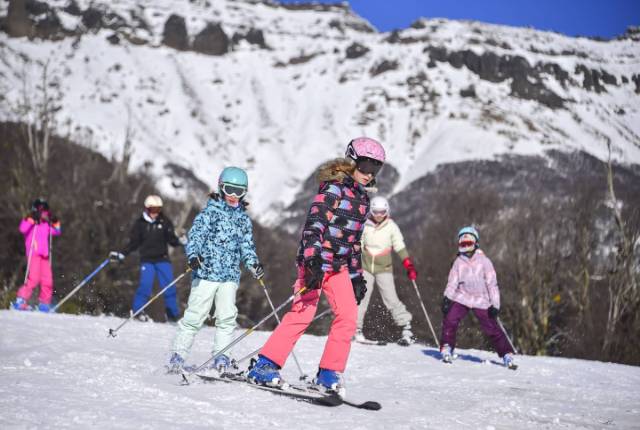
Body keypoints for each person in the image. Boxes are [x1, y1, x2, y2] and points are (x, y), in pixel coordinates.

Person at [247, 137, 386, 395]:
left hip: (339, 268)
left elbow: (354, 242)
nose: (370, 173)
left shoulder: (363, 200)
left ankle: (328, 373)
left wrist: (356, 276)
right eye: (366, 165)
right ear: (351, 161)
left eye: (376, 168)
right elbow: (313, 227)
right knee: (303, 313)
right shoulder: (333, 190)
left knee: (348, 317)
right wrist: (312, 262)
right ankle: (264, 365)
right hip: (316, 263)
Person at [167, 167, 264, 374]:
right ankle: (178, 355)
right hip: (206, 273)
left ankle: (222, 356)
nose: (233, 195)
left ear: (244, 193)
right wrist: (193, 256)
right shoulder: (209, 214)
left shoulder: (243, 220)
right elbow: (195, 238)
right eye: (229, 189)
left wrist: (253, 264)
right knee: (195, 316)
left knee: (227, 318)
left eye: (238, 191)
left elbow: (247, 247)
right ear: (220, 188)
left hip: (229, 276)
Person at [440, 226, 517, 369]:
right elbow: (452, 282)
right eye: (463, 244)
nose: (466, 247)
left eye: (468, 244)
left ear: (475, 244)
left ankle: (506, 353)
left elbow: (492, 284)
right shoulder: (458, 262)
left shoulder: (484, 261)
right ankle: (447, 346)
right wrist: (447, 298)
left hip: (481, 299)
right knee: (450, 319)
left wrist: (495, 305)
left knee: (491, 327)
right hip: (462, 296)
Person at [355, 196, 418, 346]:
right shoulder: (365, 225)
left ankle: (406, 327)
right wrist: (354, 258)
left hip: (384, 268)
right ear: (371, 211)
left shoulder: (391, 226)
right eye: (376, 212)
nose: (379, 215)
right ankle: (355, 328)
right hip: (366, 267)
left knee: (390, 298)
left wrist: (408, 264)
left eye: (382, 212)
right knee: (361, 297)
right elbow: (359, 243)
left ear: (387, 211)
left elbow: (399, 245)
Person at [110, 195, 183, 322]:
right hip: (147, 260)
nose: (155, 213)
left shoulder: (164, 222)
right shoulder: (140, 224)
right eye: (152, 210)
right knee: (145, 286)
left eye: (158, 209)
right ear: (147, 209)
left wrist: (180, 241)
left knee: (169, 286)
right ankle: (138, 311)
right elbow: (133, 243)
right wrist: (122, 254)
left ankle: (172, 313)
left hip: (162, 259)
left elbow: (172, 239)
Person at [13, 199, 61, 312]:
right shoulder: (31, 221)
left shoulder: (46, 224)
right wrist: (32, 219)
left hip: (44, 255)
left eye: (46, 212)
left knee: (48, 281)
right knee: (34, 279)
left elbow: (57, 231)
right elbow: (22, 228)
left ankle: (44, 303)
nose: (45, 214)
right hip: (33, 253)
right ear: (36, 211)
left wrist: (55, 221)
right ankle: (21, 299)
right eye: (42, 212)